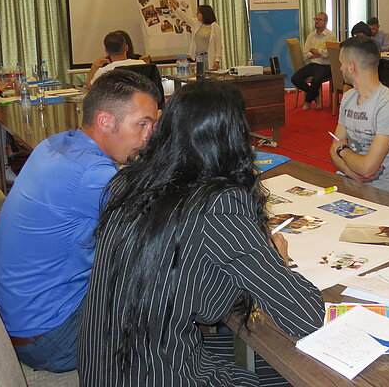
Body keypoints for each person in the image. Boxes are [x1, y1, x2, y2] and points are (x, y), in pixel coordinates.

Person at [78, 81, 324, 385]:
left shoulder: (128, 182)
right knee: (299, 373)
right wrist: (277, 260)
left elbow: (200, 300)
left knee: (251, 351)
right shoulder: (219, 204)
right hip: (157, 373)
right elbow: (304, 316)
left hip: (105, 369)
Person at [0, 70, 160, 372]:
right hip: (52, 338)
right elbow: (159, 233)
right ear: (105, 121)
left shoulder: (58, 144)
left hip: (22, 317)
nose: (150, 135)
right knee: (172, 297)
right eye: (143, 124)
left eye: (154, 125)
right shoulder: (93, 174)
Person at [330, 36, 389, 193]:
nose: (340, 68)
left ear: (351, 67)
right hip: (347, 182)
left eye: (341, 63)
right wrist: (350, 172)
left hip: (379, 194)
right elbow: (333, 150)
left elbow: (367, 169)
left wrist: (343, 150)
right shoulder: (348, 97)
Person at [291, 11, 336, 110]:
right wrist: (317, 54)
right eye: (316, 19)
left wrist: (317, 52)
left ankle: (307, 101)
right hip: (313, 64)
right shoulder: (311, 36)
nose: (317, 21)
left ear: (326, 22)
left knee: (316, 80)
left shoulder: (331, 35)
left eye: (320, 19)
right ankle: (315, 94)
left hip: (325, 66)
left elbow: (329, 53)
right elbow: (305, 53)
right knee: (295, 78)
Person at [179, 4, 224, 70]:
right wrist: (175, 7)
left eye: (198, 12)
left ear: (204, 14)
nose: (196, 14)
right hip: (199, 56)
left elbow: (218, 45)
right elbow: (185, 17)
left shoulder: (215, 27)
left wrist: (217, 60)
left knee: (210, 74)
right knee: (200, 75)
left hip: (209, 57)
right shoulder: (196, 23)